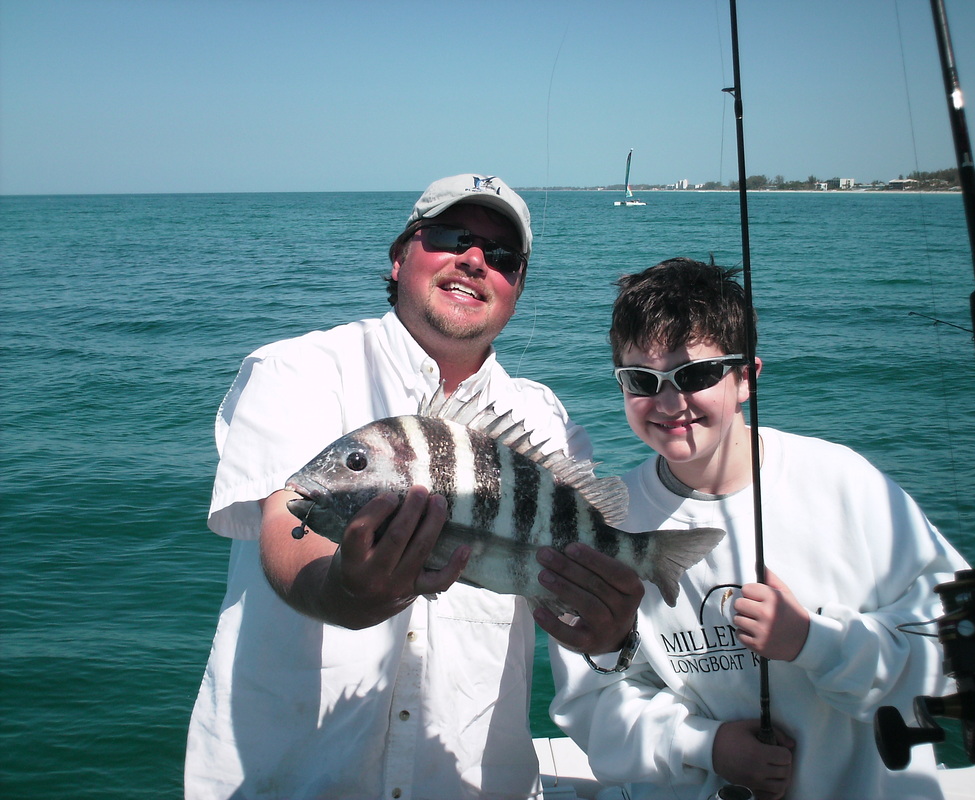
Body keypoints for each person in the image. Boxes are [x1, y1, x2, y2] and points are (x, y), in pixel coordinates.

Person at [185, 174, 643, 800]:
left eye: (503, 256)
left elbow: (573, 625)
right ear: (400, 256)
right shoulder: (296, 371)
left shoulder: (546, 423)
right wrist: (349, 591)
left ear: (518, 288)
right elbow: (283, 530)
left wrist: (612, 638)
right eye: (452, 237)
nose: (476, 260)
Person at [549, 257, 969, 800]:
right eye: (641, 380)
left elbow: (957, 642)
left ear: (746, 376)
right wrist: (707, 745)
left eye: (696, 374)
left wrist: (815, 643)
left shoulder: (843, 482)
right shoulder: (605, 521)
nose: (670, 401)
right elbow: (590, 701)